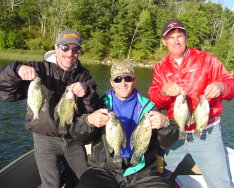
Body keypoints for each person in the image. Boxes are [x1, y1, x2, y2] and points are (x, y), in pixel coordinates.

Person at [0, 30, 99, 188]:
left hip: (73, 137)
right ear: (57, 48)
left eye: (76, 50)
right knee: (52, 183)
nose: (70, 53)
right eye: (66, 48)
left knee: (82, 181)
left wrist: (86, 91)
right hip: (44, 137)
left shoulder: (83, 76)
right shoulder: (38, 69)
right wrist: (16, 70)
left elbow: (92, 107)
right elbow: (7, 94)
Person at [148, 19, 234, 187]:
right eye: (171, 37)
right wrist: (164, 90)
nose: (176, 41)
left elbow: (232, 86)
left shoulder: (208, 60)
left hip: (207, 132)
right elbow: (154, 96)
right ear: (164, 41)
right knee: (156, 179)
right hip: (173, 133)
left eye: (180, 36)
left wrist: (222, 86)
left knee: (221, 184)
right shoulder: (160, 67)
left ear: (186, 38)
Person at [70, 61, 171, 188]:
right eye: (118, 79)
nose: (123, 83)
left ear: (134, 80)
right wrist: (88, 122)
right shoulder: (98, 105)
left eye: (128, 78)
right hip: (104, 169)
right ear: (111, 82)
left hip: (144, 172)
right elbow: (78, 137)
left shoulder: (150, 107)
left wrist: (165, 124)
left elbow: (167, 142)